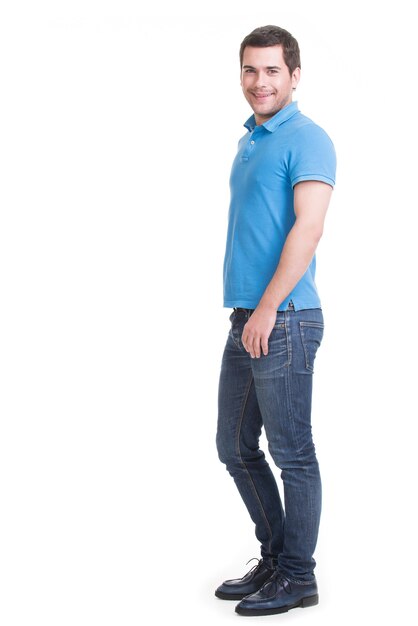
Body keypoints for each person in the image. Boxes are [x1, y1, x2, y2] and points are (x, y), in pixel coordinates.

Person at [214, 25, 337, 616]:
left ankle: (298, 575)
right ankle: (275, 556)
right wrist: (249, 313)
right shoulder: (250, 140)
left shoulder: (308, 139)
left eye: (270, 71)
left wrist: (266, 309)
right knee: (234, 445)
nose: (258, 82)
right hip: (248, 318)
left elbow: (307, 229)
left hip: (284, 319)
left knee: (293, 453)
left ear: (293, 75)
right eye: (249, 70)